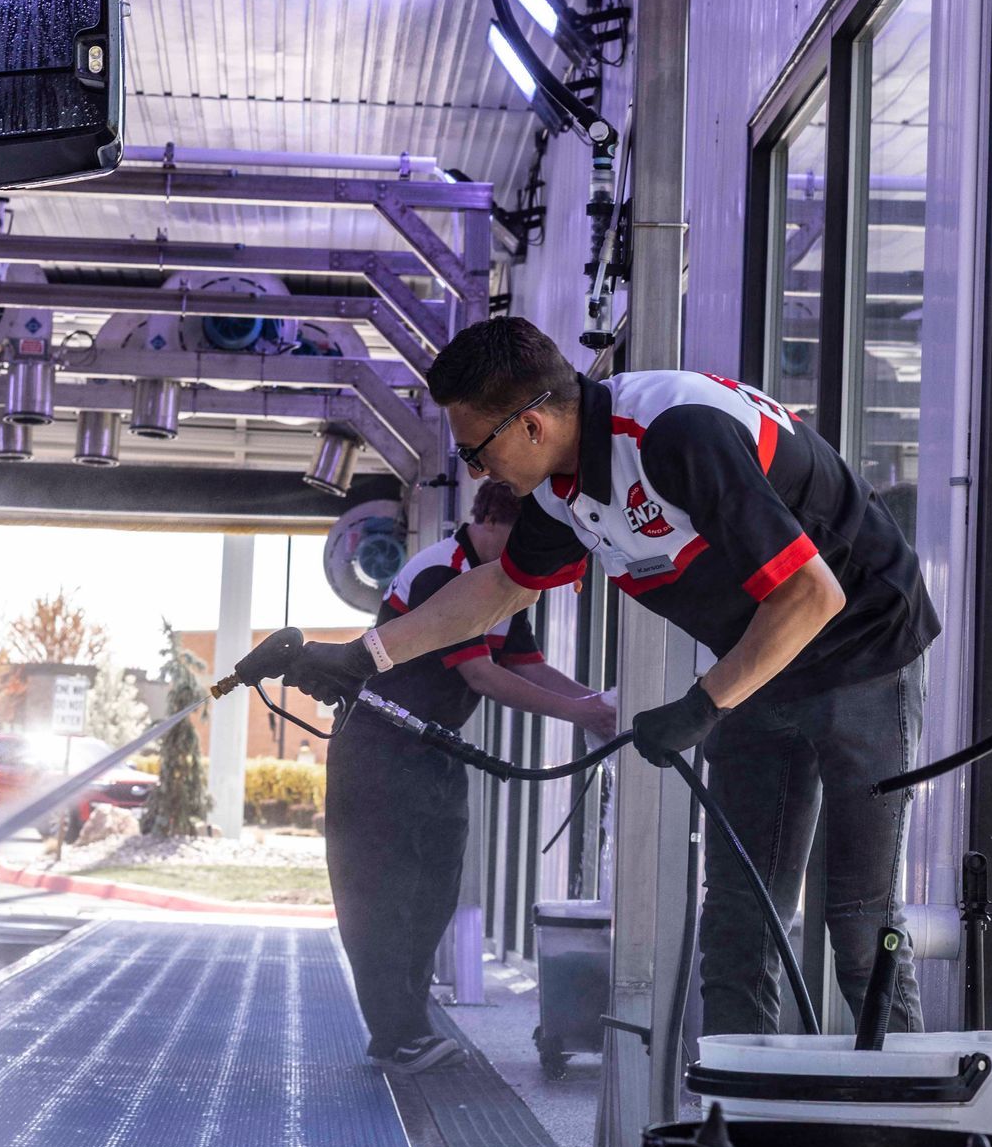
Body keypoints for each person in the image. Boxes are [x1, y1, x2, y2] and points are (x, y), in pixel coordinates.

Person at [292, 318, 938, 1035]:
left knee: (857, 916)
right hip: (761, 663)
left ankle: (908, 1123)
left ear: (531, 425)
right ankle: (734, 1122)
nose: (475, 471)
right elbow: (500, 589)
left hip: (865, 651)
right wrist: (365, 655)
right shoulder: (560, 491)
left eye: (476, 450)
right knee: (738, 918)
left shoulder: (677, 434)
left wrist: (703, 704)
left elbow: (812, 594)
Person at [320, 478, 616, 1072]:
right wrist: (583, 713)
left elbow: (526, 664)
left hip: (435, 749)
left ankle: (410, 1025)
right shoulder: (446, 573)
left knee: (432, 895)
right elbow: (483, 675)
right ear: (496, 524)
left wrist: (605, 704)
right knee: (383, 899)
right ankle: (395, 1035)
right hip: (378, 751)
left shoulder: (503, 587)